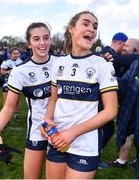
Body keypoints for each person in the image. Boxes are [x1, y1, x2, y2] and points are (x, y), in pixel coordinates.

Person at [41, 10, 118, 179]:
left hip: (85, 145)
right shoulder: (58, 63)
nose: (91, 28)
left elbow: (111, 111)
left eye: (95, 26)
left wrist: (73, 132)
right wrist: (47, 120)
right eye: (86, 24)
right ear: (71, 29)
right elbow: (54, 100)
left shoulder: (103, 65)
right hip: (57, 140)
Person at [0, 22, 57, 179]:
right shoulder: (20, 71)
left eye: (46, 38)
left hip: (63, 131)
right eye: (36, 39)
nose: (42, 43)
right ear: (29, 43)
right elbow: (9, 107)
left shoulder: (61, 63)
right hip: (37, 132)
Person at [110, 38, 139, 168]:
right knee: (128, 133)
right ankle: (123, 160)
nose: (123, 48)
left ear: (135, 50)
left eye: (126, 45)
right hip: (130, 111)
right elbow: (124, 83)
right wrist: (106, 77)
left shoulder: (131, 59)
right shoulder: (136, 64)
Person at [0, 47, 22, 120]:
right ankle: (4, 117)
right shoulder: (6, 62)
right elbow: (2, 72)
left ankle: (16, 114)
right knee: (6, 102)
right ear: (10, 54)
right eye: (14, 53)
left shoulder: (20, 61)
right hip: (7, 83)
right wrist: (10, 71)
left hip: (17, 84)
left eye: (17, 53)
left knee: (17, 100)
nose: (16, 55)